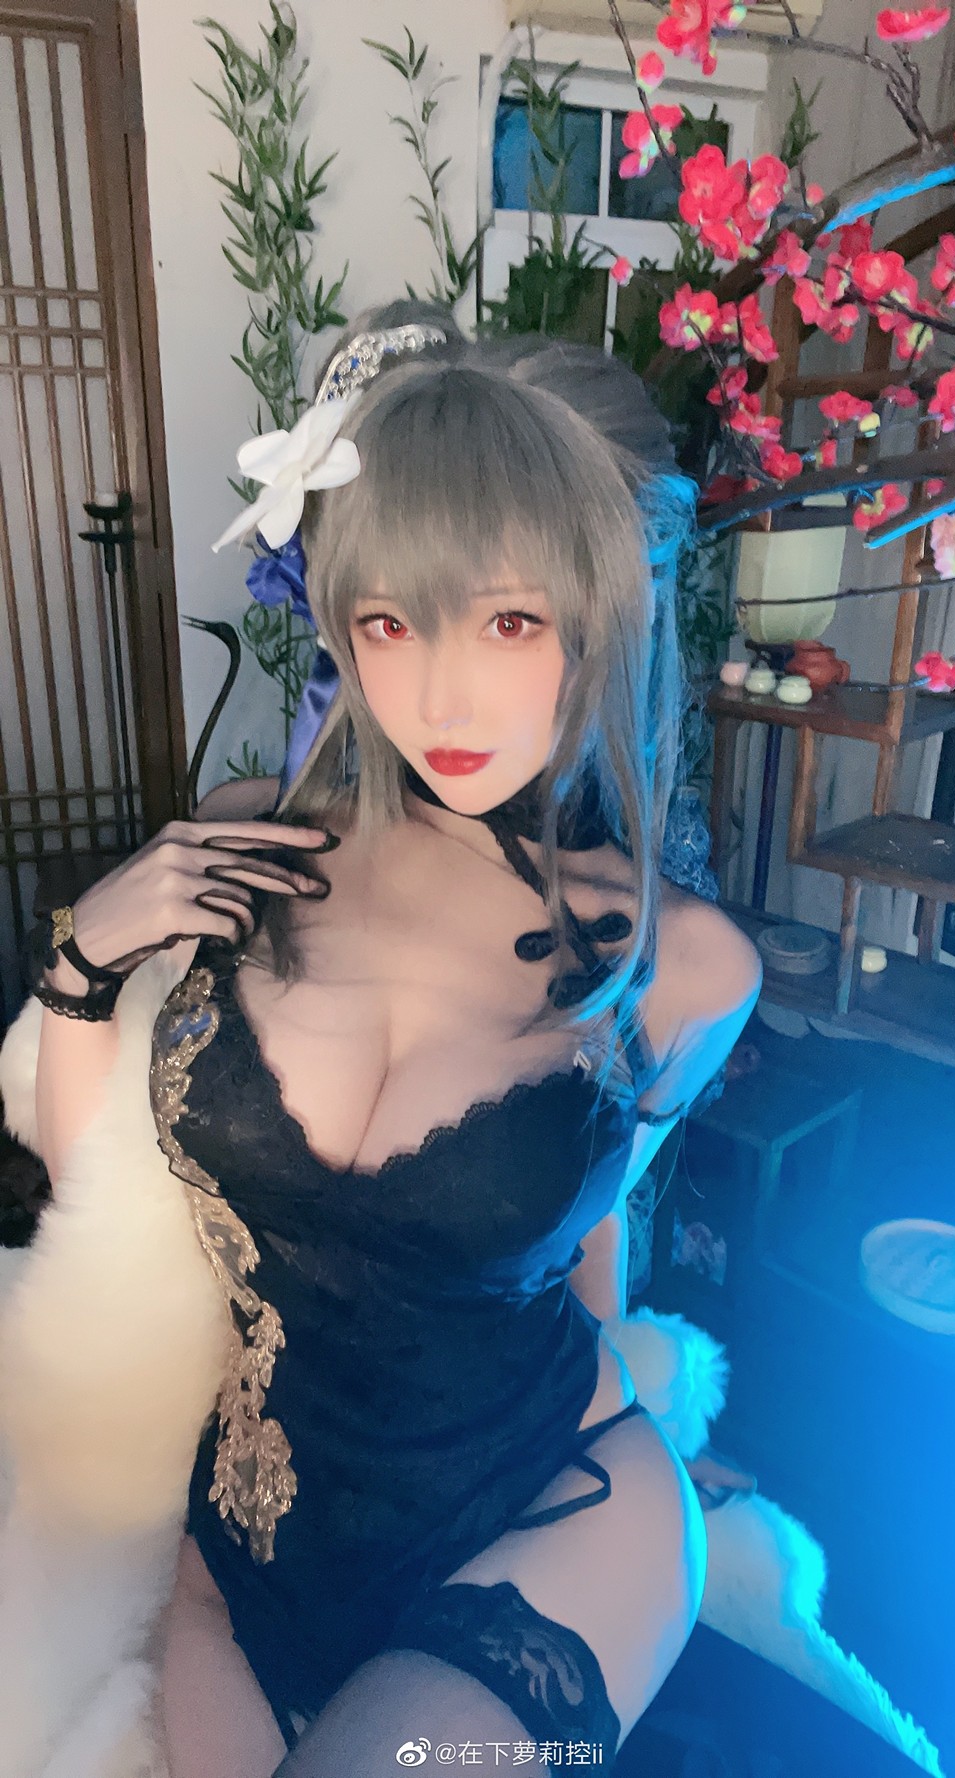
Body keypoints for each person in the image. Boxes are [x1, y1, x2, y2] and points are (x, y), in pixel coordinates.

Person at [26, 310, 762, 1777]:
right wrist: (77, 964)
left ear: (599, 615)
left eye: (508, 622)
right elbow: (96, 1184)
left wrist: (645, 1382)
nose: (440, 694)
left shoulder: (679, 964)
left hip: (560, 1511)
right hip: (246, 1541)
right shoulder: (251, 851)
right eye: (389, 622)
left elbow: (588, 1210)